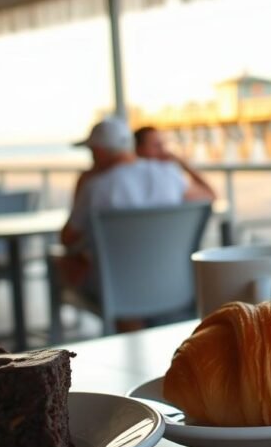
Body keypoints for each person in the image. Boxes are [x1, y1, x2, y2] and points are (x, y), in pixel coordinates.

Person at [59, 118, 206, 330]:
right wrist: (182, 163)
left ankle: (128, 333)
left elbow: (67, 239)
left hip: (119, 292)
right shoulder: (170, 175)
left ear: (99, 151)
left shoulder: (95, 187)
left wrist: (81, 187)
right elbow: (208, 196)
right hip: (175, 285)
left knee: (70, 261)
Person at [134, 126, 215, 200]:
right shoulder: (167, 172)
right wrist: (183, 164)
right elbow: (210, 194)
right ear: (139, 149)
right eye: (157, 145)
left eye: (163, 145)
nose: (164, 150)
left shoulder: (125, 175)